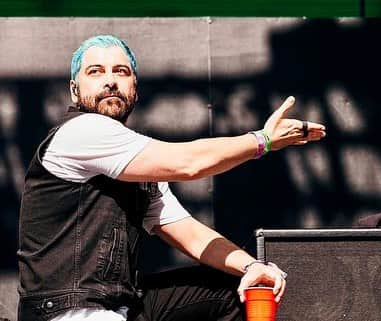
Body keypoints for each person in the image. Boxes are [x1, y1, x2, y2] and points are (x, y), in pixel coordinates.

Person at [17, 34, 326, 321]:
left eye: (121, 72)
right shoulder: (80, 132)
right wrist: (262, 141)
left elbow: (189, 233)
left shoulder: (138, 162)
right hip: (66, 312)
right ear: (74, 89)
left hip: (120, 306)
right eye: (96, 72)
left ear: (135, 89)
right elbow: (190, 164)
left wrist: (251, 266)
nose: (110, 81)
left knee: (234, 290)